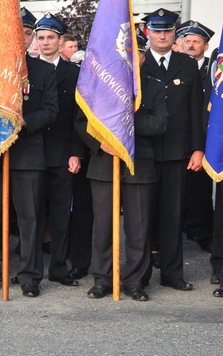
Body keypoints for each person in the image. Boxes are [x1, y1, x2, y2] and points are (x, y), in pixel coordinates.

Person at [0, 8, 59, 297]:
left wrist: (20, 124)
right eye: (13, 32)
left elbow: (51, 110)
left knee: (30, 221)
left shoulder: (44, 70)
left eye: (24, 33)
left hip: (28, 155)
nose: (18, 37)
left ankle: (29, 277)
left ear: (30, 37)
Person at [78, 32, 168, 301]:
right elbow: (80, 123)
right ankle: (103, 279)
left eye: (134, 53)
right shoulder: (99, 85)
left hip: (139, 165)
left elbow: (161, 123)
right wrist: (101, 141)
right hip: (105, 162)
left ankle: (136, 281)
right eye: (124, 53)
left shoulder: (154, 86)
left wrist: (124, 124)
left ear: (141, 57)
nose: (129, 58)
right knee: (103, 226)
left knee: (138, 229)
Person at [141, 8, 204, 291]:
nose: (162, 35)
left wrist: (197, 149)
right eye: (157, 30)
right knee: (141, 217)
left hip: (178, 152)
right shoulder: (136, 65)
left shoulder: (187, 65)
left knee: (172, 215)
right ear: (147, 32)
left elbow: (196, 112)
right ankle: (139, 276)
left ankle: (172, 275)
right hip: (143, 152)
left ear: (174, 32)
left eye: (167, 30)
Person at [34, 13, 84, 287]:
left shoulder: (75, 73)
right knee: (32, 215)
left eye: (51, 38)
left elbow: (79, 116)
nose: (45, 42)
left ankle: (58, 266)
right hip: (31, 154)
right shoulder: (25, 70)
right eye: (40, 38)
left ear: (61, 40)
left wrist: (76, 152)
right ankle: (30, 269)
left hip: (63, 153)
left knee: (61, 213)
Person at [178, 20, 216, 252]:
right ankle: (183, 228)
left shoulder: (212, 71)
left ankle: (203, 233)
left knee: (200, 189)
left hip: (203, 137)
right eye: (187, 41)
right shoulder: (176, 66)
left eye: (196, 42)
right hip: (177, 138)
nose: (191, 45)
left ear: (206, 46)